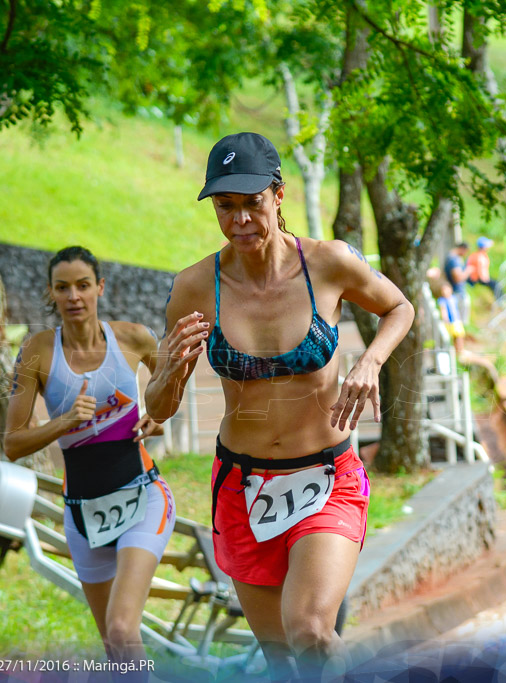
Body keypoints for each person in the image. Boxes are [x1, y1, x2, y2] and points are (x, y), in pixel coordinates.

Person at [145, 132, 414, 678]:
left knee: (311, 630)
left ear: (279, 194)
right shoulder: (195, 287)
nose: (240, 220)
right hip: (242, 489)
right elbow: (160, 406)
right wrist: (170, 370)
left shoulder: (328, 264)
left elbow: (399, 307)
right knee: (282, 660)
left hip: (326, 477)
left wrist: (370, 363)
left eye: (252, 204)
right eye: (226, 207)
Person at [4, 246, 175, 673]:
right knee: (113, 648)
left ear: (100, 287)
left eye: (83, 285)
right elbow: (12, 443)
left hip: (143, 496)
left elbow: (171, 391)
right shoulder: (38, 352)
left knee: (122, 630)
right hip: (82, 513)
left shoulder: (134, 337)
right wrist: (62, 423)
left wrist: (157, 419)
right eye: (63, 288)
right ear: (51, 293)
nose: (73, 296)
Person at [445, 242, 473, 324]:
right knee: (458, 322)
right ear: (462, 249)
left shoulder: (450, 257)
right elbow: (458, 278)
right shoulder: (454, 260)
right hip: (457, 294)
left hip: (456, 293)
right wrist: (468, 271)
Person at [437, 281, 467, 357]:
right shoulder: (442, 300)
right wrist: (445, 319)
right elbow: (443, 311)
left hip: (457, 320)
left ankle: (461, 349)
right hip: (451, 322)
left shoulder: (453, 298)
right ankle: (457, 350)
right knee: (455, 336)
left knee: (460, 335)